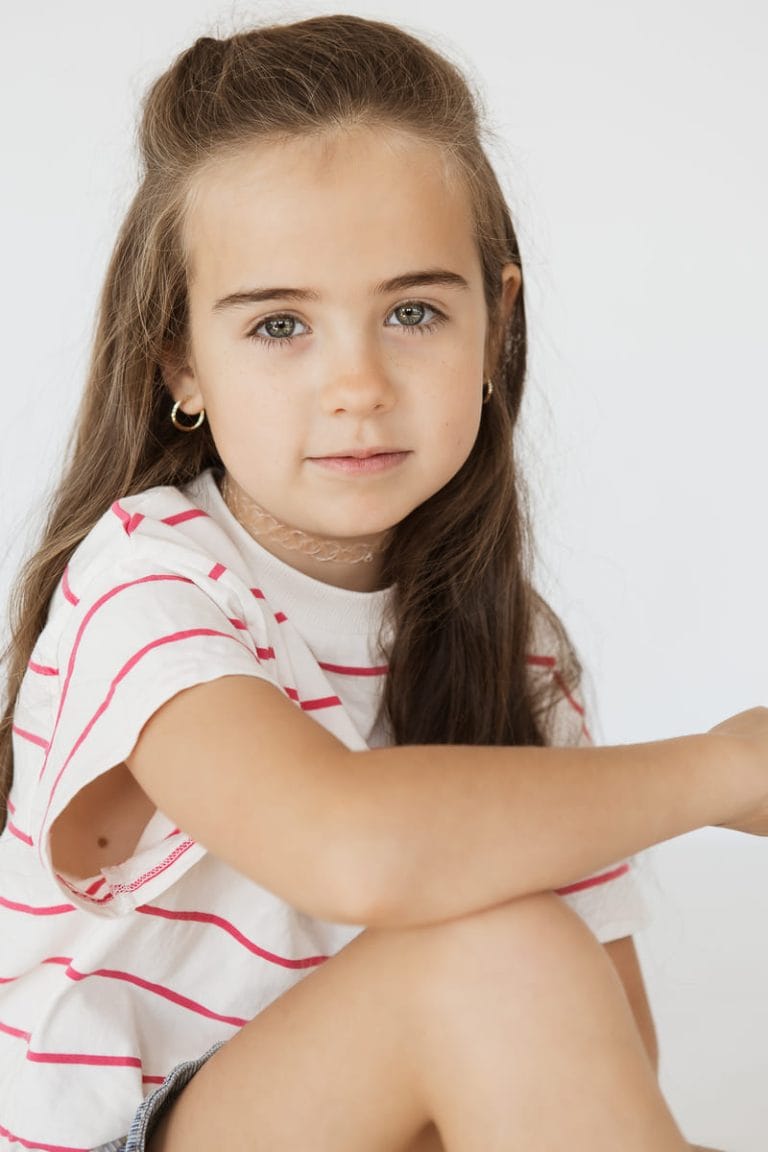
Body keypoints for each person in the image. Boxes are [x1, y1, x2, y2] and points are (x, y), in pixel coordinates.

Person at [0, 13, 764, 1152]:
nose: (356, 384)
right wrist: (726, 768)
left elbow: (590, 1079)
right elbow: (346, 846)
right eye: (279, 325)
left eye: (412, 313)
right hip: (121, 1135)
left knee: (519, 964)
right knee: (497, 955)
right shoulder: (150, 583)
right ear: (181, 363)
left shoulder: (517, 650)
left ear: (496, 326)